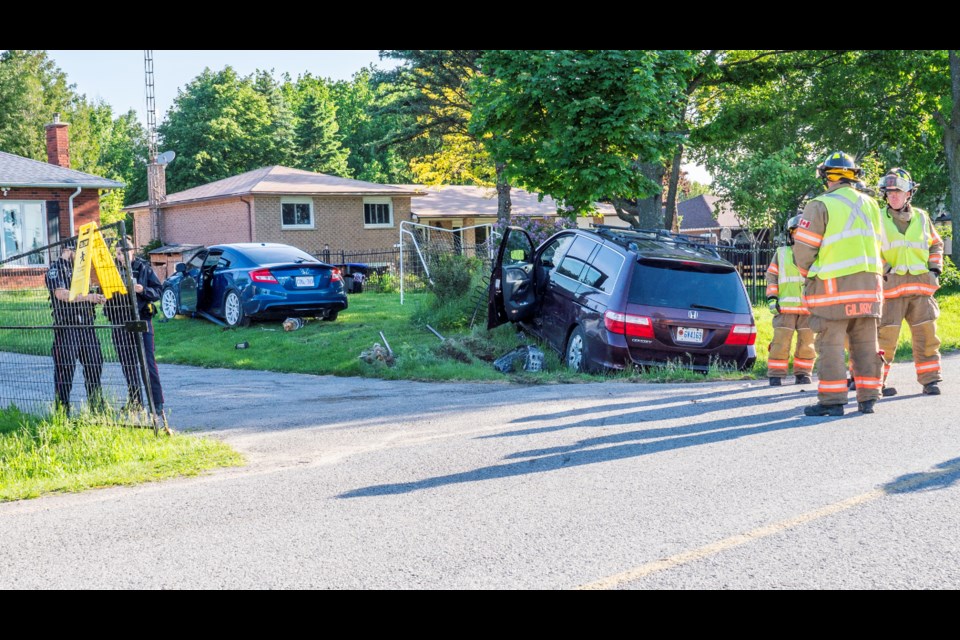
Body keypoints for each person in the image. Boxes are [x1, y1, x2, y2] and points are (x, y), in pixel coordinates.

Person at [793, 151, 885, 416]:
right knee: (866, 344)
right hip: (869, 289)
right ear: (854, 176)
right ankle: (868, 398)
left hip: (833, 292)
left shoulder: (819, 205)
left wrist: (808, 275)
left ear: (826, 176)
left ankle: (832, 402)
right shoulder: (871, 205)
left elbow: (804, 251)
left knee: (831, 345)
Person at [875, 168, 944, 396]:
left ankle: (930, 381)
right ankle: (875, 382)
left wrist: (935, 269)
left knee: (927, 337)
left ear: (908, 194)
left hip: (921, 290)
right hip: (891, 290)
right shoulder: (877, 218)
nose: (893, 196)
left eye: (899, 191)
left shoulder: (922, 217)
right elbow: (870, 248)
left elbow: (936, 244)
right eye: (890, 192)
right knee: (883, 340)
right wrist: (886, 270)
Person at [102, 236, 166, 417]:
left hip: (141, 320)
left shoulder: (143, 267)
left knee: (147, 362)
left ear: (131, 252)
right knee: (128, 364)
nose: (119, 257)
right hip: (119, 320)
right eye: (117, 254)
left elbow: (158, 292)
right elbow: (103, 291)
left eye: (122, 253)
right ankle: (136, 402)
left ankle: (157, 403)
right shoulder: (110, 269)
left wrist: (142, 290)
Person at [45, 238, 106, 415]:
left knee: (95, 363)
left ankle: (96, 406)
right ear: (69, 250)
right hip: (67, 326)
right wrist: (87, 297)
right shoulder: (55, 270)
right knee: (66, 367)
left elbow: (85, 293)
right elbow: (61, 294)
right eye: (78, 252)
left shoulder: (79, 270)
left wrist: (97, 297)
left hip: (86, 325)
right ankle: (62, 410)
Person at [765, 214, 816, 386]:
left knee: (807, 343)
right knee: (780, 342)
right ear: (791, 234)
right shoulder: (781, 254)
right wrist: (772, 298)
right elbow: (771, 276)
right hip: (784, 308)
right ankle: (776, 374)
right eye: (796, 231)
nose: (799, 235)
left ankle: (803, 373)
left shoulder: (816, 254)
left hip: (808, 309)